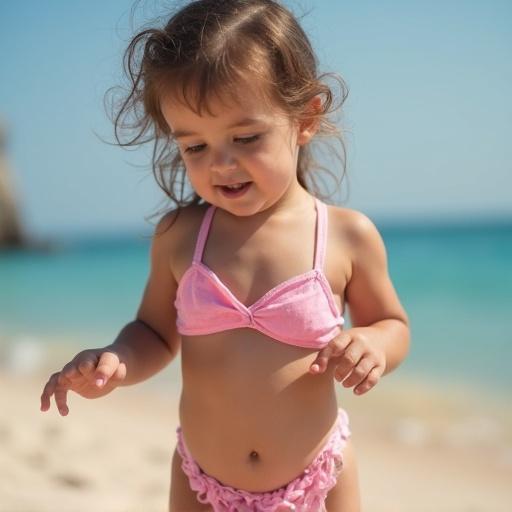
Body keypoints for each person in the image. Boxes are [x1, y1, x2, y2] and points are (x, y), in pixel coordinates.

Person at [40, 1, 410, 510]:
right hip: (202, 482)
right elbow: (152, 332)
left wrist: (372, 343)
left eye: (245, 137)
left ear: (305, 118)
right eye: (194, 147)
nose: (221, 163)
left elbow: (393, 324)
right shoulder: (180, 236)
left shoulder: (346, 236)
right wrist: (117, 361)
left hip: (318, 476)